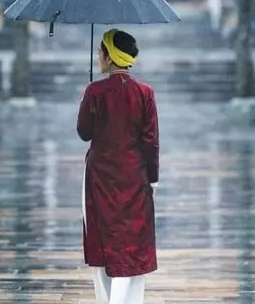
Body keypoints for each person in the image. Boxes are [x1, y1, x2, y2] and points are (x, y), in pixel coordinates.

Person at [77, 29, 159, 304]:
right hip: (135, 177)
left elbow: (84, 132)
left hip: (99, 178)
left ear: (111, 58)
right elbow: (151, 141)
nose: (98, 57)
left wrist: (87, 101)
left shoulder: (95, 92)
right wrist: (153, 179)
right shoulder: (144, 93)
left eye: (101, 53)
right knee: (132, 243)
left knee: (101, 238)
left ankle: (106, 300)